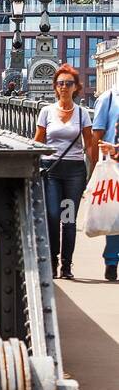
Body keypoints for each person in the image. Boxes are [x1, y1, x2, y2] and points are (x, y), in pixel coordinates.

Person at [34, 64, 96, 280]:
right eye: (60, 83)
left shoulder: (82, 114)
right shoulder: (46, 112)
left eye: (68, 83)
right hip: (52, 171)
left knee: (68, 220)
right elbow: (38, 142)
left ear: (76, 88)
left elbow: (89, 146)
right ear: (55, 87)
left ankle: (66, 266)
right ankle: (51, 262)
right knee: (52, 216)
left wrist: (93, 174)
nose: (64, 87)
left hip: (74, 174)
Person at [91, 82, 119, 282]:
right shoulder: (108, 98)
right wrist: (92, 172)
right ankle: (111, 262)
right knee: (114, 214)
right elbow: (97, 135)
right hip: (113, 166)